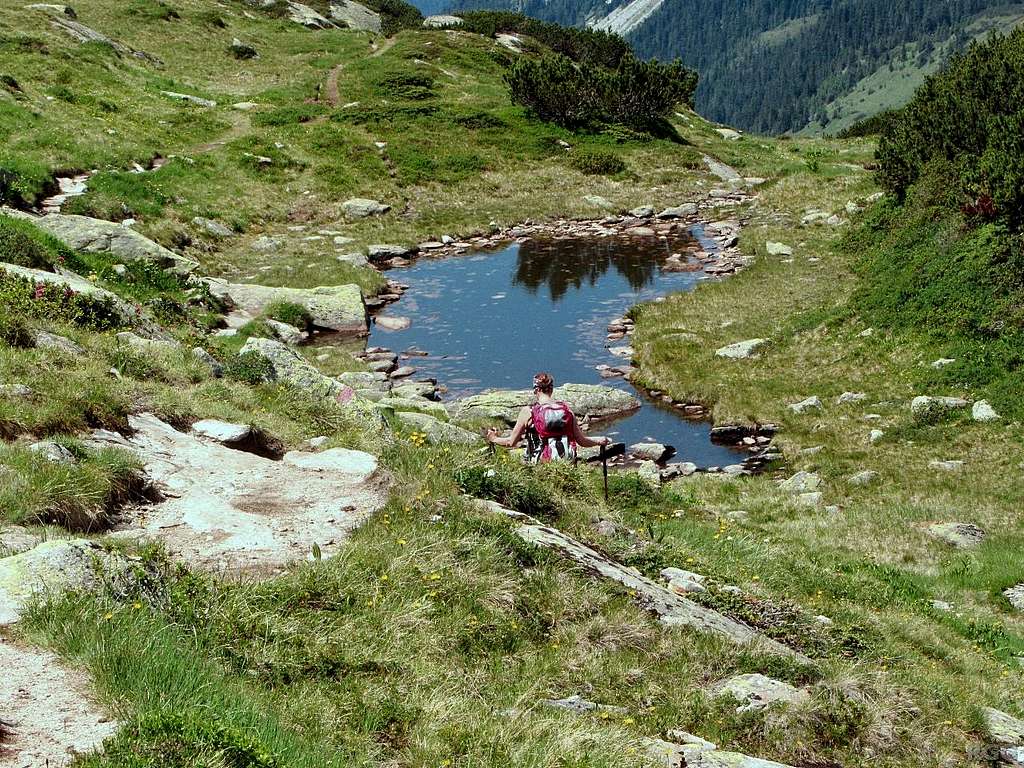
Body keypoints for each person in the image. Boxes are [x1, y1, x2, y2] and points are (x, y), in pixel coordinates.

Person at [486, 372, 611, 463]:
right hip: (566, 462)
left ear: (536, 390)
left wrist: (494, 438)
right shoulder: (567, 411)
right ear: (551, 390)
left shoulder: (529, 412)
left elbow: (511, 442)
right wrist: (599, 440)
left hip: (540, 462)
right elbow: (582, 441)